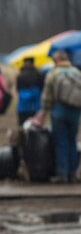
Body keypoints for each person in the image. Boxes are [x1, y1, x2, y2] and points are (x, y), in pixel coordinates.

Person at [36, 50, 81, 183]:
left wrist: (43, 112)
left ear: (57, 60)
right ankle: (73, 174)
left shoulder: (53, 73)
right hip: (75, 111)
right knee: (72, 140)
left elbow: (47, 96)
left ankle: (62, 173)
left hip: (59, 111)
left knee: (60, 142)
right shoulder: (77, 72)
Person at [16, 57, 44, 125]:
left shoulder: (20, 75)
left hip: (23, 105)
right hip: (34, 104)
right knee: (34, 124)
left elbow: (18, 88)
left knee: (22, 124)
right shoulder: (38, 74)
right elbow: (42, 87)